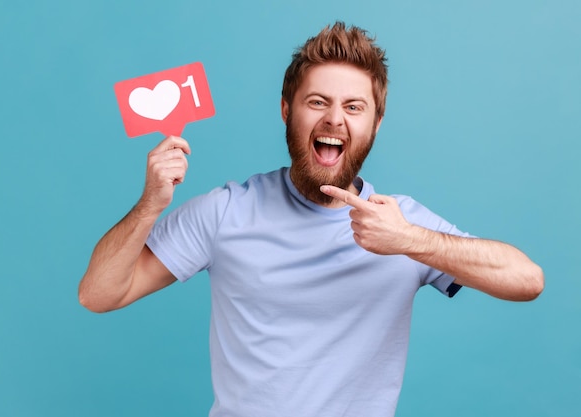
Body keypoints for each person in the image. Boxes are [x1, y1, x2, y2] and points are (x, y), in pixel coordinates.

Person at [79, 21, 544, 417]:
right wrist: (150, 205)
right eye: (317, 102)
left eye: (354, 107)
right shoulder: (225, 211)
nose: (334, 119)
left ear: (376, 123)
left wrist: (411, 240)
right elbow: (99, 294)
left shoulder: (401, 223)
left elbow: (527, 280)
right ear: (287, 110)